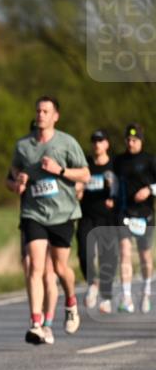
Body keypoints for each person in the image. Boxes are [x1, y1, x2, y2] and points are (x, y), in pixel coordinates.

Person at [10, 96, 90, 343]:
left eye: (46, 111)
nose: (41, 115)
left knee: (59, 268)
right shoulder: (23, 146)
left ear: (56, 116)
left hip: (63, 213)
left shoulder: (67, 143)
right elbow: (14, 170)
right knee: (35, 267)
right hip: (34, 213)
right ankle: (36, 323)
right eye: (38, 111)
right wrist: (19, 179)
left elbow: (86, 174)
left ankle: (71, 302)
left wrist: (61, 171)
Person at [112, 123, 156, 314]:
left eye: (134, 140)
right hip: (125, 213)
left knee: (145, 255)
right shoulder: (119, 160)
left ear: (141, 141)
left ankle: (146, 291)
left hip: (145, 214)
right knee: (125, 252)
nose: (131, 143)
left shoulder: (150, 160)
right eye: (128, 140)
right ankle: (127, 296)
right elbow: (113, 182)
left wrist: (149, 190)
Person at [76, 129, 119, 314]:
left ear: (107, 144)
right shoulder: (85, 165)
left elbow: (122, 189)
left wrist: (114, 195)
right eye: (94, 141)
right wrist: (79, 189)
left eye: (100, 141)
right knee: (84, 252)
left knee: (107, 257)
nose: (96, 144)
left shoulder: (114, 165)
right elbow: (77, 188)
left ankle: (107, 297)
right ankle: (92, 284)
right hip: (87, 215)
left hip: (107, 217)